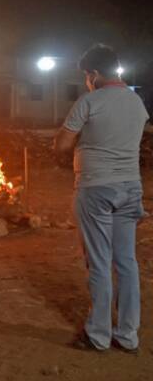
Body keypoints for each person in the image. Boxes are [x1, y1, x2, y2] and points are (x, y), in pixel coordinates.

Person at [54, 44, 148, 353]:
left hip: (95, 188)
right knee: (126, 262)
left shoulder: (89, 101)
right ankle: (128, 334)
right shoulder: (136, 102)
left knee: (98, 262)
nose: (86, 81)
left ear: (93, 74)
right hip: (130, 187)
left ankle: (98, 335)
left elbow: (63, 144)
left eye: (86, 75)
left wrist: (81, 143)